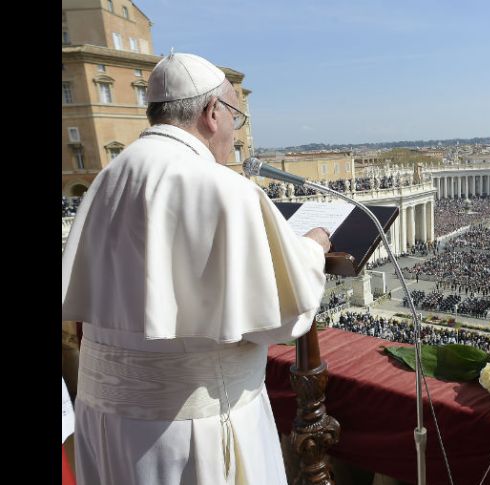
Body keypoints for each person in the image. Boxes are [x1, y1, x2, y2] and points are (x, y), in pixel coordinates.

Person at [61, 52, 331, 485]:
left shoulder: (107, 181)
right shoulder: (224, 188)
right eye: (234, 119)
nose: (232, 134)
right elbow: (280, 317)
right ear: (212, 113)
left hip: (107, 424)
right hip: (193, 432)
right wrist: (313, 250)